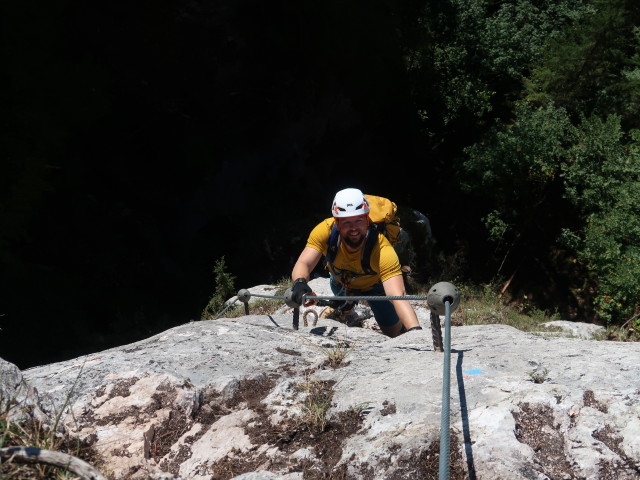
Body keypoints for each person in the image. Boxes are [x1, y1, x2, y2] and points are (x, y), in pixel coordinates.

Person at [290, 187, 422, 337]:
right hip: (341, 282)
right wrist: (300, 282)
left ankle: (395, 326)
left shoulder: (382, 249)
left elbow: (397, 295)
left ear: (367, 220)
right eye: (346, 223)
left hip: (375, 287)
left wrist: (415, 331)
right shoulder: (324, 231)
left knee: (392, 331)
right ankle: (345, 308)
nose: (353, 228)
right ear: (337, 223)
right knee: (340, 291)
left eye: (358, 221)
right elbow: (304, 262)